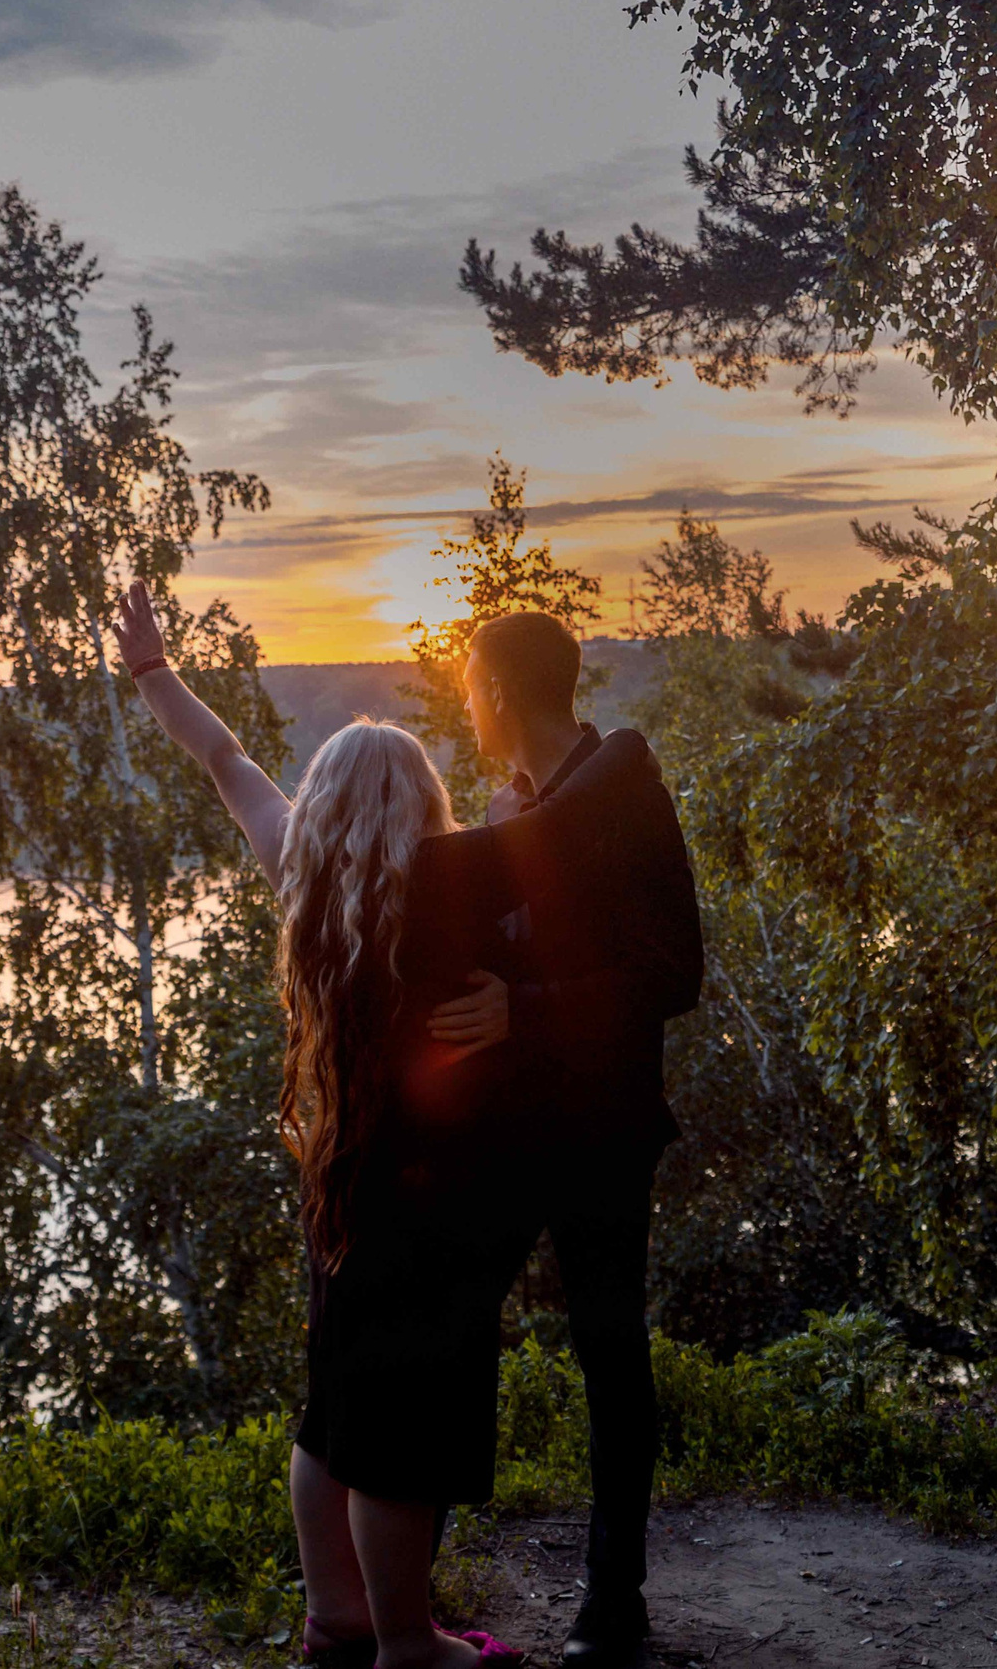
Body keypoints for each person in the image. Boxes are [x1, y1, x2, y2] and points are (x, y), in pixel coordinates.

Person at [114, 583, 662, 1669]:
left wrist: (153, 672)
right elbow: (562, 836)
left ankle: (338, 1619)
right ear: (423, 800)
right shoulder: (447, 884)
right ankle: (411, 1644)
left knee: (333, 1407)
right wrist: (616, 760)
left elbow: (226, 759)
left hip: (340, 1177)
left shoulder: (300, 865)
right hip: (435, 1195)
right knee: (401, 1425)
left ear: (323, 802)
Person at [437, 612, 704, 1669]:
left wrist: (527, 1009)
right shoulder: (509, 809)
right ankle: (404, 1583)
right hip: (504, 1126)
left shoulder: (625, 792)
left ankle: (613, 1598)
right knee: (442, 1323)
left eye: (470, 682)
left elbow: (673, 972)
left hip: (600, 1124)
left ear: (500, 689)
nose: (466, 701)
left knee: (607, 1347)